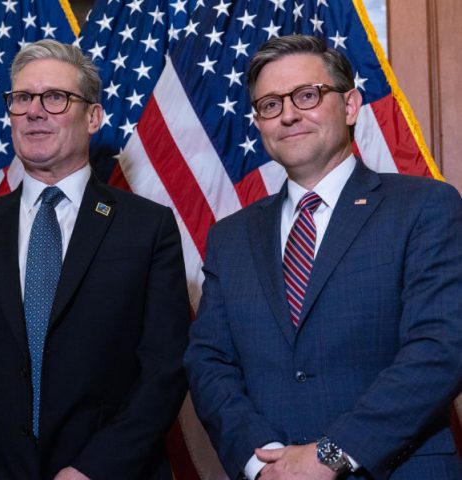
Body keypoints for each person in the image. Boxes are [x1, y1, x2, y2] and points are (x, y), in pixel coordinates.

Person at [184, 34, 462, 480]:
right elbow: (209, 362)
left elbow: (441, 348)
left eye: (307, 96)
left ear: (350, 106)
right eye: (271, 105)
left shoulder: (425, 207)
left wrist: (330, 454)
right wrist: (263, 462)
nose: (289, 114)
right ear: (258, 123)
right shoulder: (230, 237)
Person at [0, 39, 190, 480]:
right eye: (22, 98)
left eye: (55, 97)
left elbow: (164, 368)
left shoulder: (147, 229)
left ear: (93, 116)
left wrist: (93, 470)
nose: (34, 111)